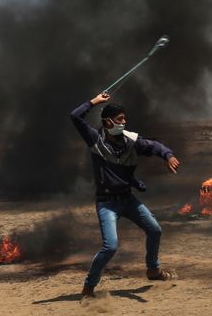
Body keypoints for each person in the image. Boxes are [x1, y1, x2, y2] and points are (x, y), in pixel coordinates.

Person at [70, 92, 181, 297]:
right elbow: (75, 116)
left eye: (124, 118)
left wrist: (168, 155)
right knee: (110, 246)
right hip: (106, 203)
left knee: (155, 230)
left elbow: (154, 146)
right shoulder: (95, 139)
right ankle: (88, 287)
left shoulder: (130, 140)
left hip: (127, 199)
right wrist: (95, 101)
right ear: (108, 121)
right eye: (120, 119)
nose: (124, 122)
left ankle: (153, 269)